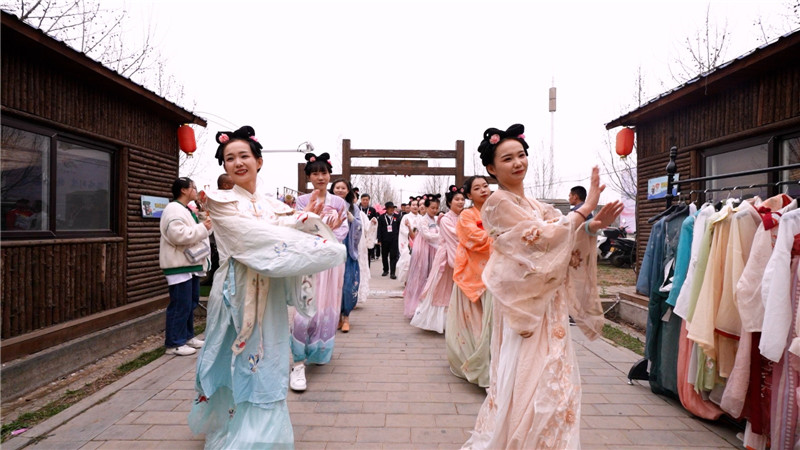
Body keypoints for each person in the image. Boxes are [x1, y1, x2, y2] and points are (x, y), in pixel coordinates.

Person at [462, 124, 623, 449]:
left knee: (556, 381)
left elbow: (564, 234)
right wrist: (584, 209)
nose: (517, 163)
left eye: (521, 155)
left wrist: (590, 227)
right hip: (522, 306)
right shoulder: (497, 203)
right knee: (530, 378)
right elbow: (543, 238)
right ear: (492, 168)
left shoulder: (539, 206)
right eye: (507, 158)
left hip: (549, 304)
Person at [188, 126, 345, 449]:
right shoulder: (220, 201)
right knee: (233, 355)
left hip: (268, 294)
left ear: (258, 161)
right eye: (230, 158)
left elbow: (284, 225)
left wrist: (306, 222)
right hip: (236, 292)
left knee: (269, 354)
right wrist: (305, 234)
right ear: (224, 166)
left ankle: (263, 432)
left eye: (244, 156)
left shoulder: (273, 204)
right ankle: (234, 426)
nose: (237, 163)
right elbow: (254, 238)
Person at [290, 152, 349, 392]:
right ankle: (297, 360)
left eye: (323, 172)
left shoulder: (339, 202)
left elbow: (343, 229)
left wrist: (327, 237)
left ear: (329, 175)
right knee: (304, 309)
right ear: (309, 177)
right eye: (315, 173)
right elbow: (297, 227)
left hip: (330, 262)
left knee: (327, 306)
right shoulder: (302, 201)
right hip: (309, 261)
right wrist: (320, 235)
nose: (320, 177)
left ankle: (319, 350)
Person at [447, 176, 493, 387]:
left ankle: (490, 365)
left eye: (485, 186)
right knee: (473, 323)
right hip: (471, 274)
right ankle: (474, 363)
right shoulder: (466, 215)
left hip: (494, 274)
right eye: (477, 188)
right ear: (469, 195)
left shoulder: (498, 210)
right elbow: (474, 238)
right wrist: (500, 236)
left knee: (490, 325)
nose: (483, 190)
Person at [159, 177, 211, 357]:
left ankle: (187, 336)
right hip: (179, 264)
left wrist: (204, 221)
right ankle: (174, 343)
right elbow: (178, 235)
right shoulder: (173, 209)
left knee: (190, 303)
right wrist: (202, 228)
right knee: (180, 304)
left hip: (189, 263)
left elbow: (201, 230)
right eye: (193, 188)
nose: (195, 191)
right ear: (184, 190)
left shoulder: (185, 209)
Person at [410, 185, 465, 333]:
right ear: (449, 202)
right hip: (447, 257)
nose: (461, 202)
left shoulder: (464, 217)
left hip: (458, 255)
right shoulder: (445, 219)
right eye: (457, 199)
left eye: (462, 199)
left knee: (455, 288)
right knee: (441, 287)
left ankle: (457, 321)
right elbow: (455, 236)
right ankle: (439, 321)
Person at [402, 194, 441, 319]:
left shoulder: (436, 219)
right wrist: (442, 237)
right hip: (423, 251)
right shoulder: (423, 220)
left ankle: (430, 307)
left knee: (432, 277)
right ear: (427, 208)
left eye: (436, 208)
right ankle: (417, 306)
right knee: (421, 276)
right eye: (432, 208)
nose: (434, 210)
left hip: (434, 250)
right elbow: (427, 235)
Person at [330, 178, 361, 332]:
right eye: (337, 187)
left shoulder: (354, 208)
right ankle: (337, 317)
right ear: (332, 189)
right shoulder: (328, 205)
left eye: (343, 188)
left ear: (348, 190)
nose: (340, 190)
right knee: (332, 285)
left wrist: (352, 220)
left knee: (347, 285)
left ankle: (346, 316)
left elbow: (359, 226)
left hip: (347, 250)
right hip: (331, 248)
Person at [397, 197, 421, 285]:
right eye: (413, 205)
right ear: (410, 206)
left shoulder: (421, 218)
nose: (415, 207)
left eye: (417, 205)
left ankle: (416, 281)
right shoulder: (405, 217)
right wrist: (410, 234)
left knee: (418, 263)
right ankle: (407, 280)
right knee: (407, 261)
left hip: (419, 242)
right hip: (408, 243)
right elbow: (403, 230)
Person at [377, 201, 401, 278]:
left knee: (393, 256)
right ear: (386, 209)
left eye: (393, 208)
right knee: (384, 256)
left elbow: (399, 228)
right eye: (390, 208)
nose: (391, 209)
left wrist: (399, 238)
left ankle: (392, 273)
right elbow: (379, 229)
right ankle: (385, 270)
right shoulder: (381, 217)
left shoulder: (397, 217)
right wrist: (379, 239)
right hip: (384, 240)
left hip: (394, 240)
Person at [360, 194, 380, 262]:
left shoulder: (372, 210)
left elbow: (375, 220)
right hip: (360, 232)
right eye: (363, 200)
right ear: (361, 200)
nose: (365, 201)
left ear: (369, 200)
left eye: (367, 200)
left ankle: (367, 267)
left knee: (368, 253)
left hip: (369, 233)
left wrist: (374, 221)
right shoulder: (357, 209)